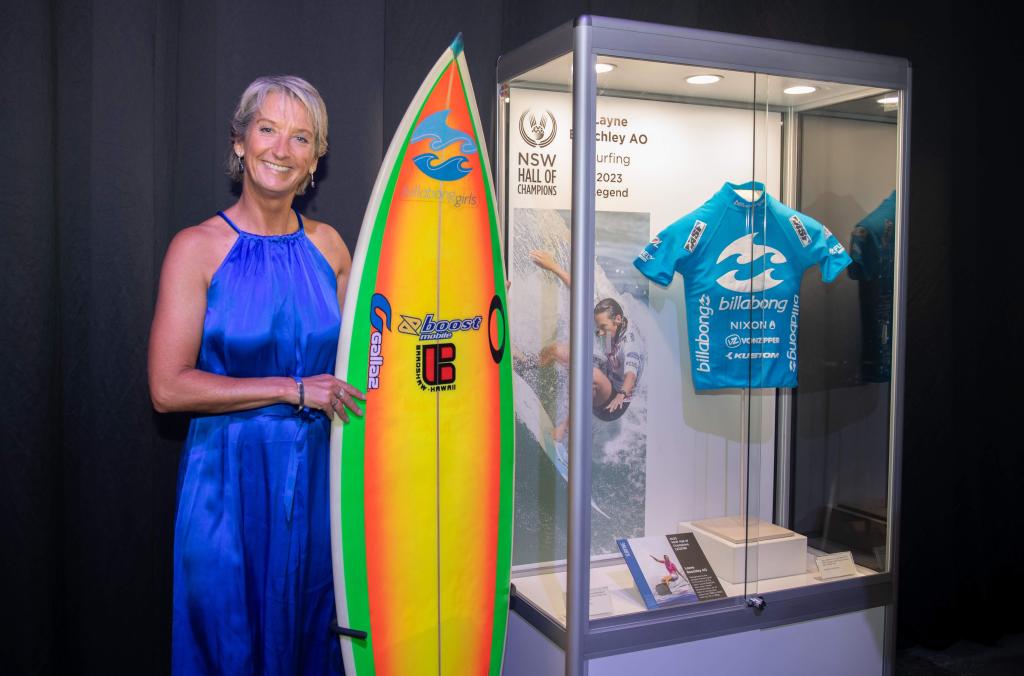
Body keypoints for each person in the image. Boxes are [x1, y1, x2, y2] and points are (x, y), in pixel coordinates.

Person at [148, 75, 361, 675]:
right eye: (267, 129)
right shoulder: (197, 248)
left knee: (312, 638)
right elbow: (166, 388)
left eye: (301, 138)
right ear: (240, 142)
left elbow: (360, 368)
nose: (281, 149)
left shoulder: (333, 250)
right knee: (229, 646)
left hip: (320, 485)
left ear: (316, 158)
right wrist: (291, 389)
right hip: (227, 489)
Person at [528, 249, 645, 441]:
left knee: (591, 375)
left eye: (603, 327)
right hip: (607, 370)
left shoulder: (631, 345)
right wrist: (552, 267)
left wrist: (622, 393)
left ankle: (565, 429)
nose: (599, 331)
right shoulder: (608, 317)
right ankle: (527, 365)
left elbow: (630, 375)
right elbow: (579, 292)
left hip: (613, 402)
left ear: (617, 320)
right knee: (557, 349)